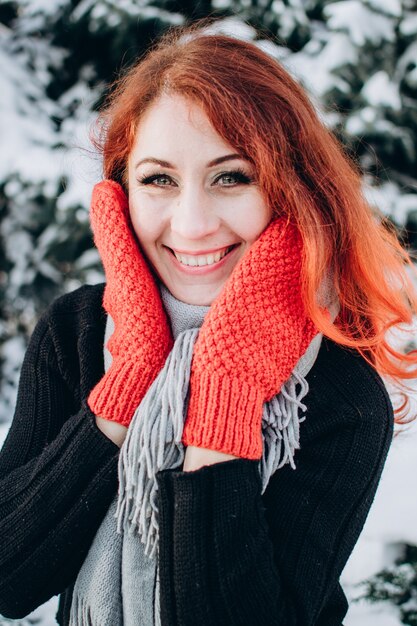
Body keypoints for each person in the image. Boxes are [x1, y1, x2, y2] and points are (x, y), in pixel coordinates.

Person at [0, 22, 416, 626]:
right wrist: (128, 387)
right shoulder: (80, 331)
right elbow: (11, 576)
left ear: (290, 194)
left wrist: (226, 399)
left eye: (232, 177)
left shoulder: (338, 392)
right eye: (158, 180)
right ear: (120, 196)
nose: (192, 224)